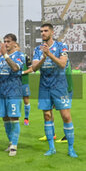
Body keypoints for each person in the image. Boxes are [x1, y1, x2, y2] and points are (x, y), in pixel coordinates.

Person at [32, 23, 77, 158]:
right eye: (41, 31)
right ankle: (52, 148)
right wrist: (44, 57)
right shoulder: (37, 49)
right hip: (44, 87)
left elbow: (63, 64)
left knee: (66, 116)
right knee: (47, 116)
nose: (43, 33)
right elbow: (34, 67)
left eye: (45, 31)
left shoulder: (61, 46)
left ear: (52, 32)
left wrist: (49, 54)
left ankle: (70, 148)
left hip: (59, 86)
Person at [0, 34, 25, 156]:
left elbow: (15, 68)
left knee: (14, 118)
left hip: (14, 92)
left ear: (14, 43)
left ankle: (14, 146)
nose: (6, 43)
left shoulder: (20, 55)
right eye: (4, 41)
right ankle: (11, 142)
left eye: (8, 41)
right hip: (2, 91)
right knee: (5, 118)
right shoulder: (1, 58)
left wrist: (5, 55)